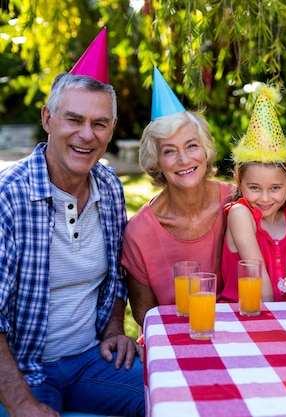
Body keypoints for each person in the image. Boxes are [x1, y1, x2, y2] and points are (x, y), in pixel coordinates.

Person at [0, 28, 144, 417]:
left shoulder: (110, 187)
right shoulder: (8, 197)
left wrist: (115, 330)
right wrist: (22, 404)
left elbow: (116, 276)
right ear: (48, 118)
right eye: (73, 119)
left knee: (172, 399)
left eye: (100, 123)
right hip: (22, 370)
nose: (86, 135)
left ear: (112, 129)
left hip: (90, 359)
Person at [121, 67, 233, 327]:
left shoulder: (235, 202)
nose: (184, 160)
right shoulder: (139, 233)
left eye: (192, 146)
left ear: (205, 151)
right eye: (169, 151)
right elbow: (145, 318)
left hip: (236, 332)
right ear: (157, 162)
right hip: (174, 338)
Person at [221, 85, 286, 302]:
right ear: (238, 182)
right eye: (255, 188)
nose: (265, 198)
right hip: (243, 318)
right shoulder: (240, 215)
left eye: (275, 188)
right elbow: (257, 277)